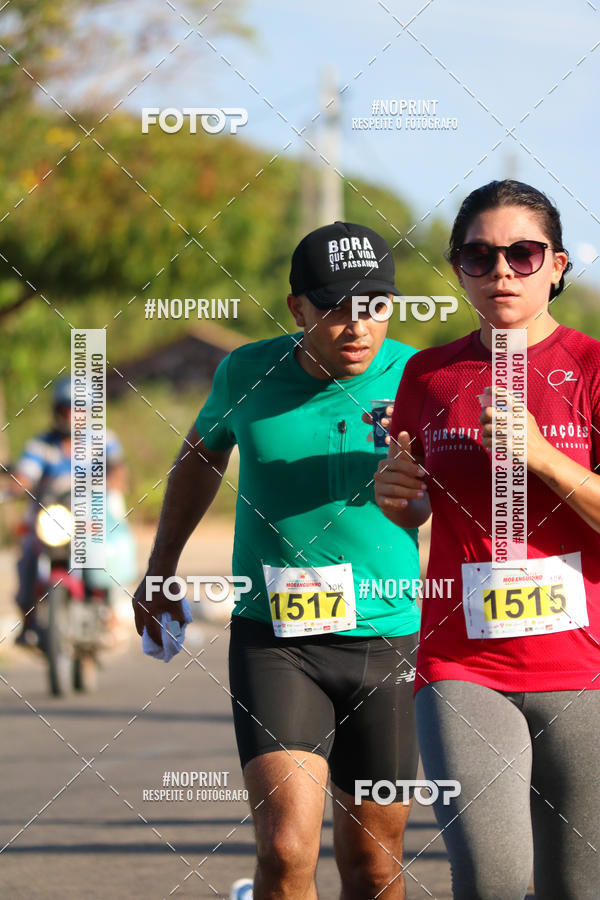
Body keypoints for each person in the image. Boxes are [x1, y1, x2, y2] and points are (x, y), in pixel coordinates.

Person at [133, 221, 422, 899]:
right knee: (287, 849)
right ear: (298, 310)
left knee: (374, 864)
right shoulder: (246, 372)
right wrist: (160, 567)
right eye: (336, 310)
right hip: (277, 641)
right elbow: (202, 454)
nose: (358, 326)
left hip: (389, 641)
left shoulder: (418, 376)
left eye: (375, 306)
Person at [374, 180, 600, 899]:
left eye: (522, 254)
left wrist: (543, 457)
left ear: (556, 266)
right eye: (479, 255)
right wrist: (398, 502)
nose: (501, 270)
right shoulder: (429, 374)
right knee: (493, 879)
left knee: (576, 886)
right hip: (463, 666)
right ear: (459, 268)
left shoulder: (592, 369)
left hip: (585, 669)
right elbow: (415, 511)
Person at [11, 376, 128, 647]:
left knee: (105, 551)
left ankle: (110, 612)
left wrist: (111, 483)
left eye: (78, 408)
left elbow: (118, 470)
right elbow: (25, 476)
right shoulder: (41, 444)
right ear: (57, 410)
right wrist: (16, 485)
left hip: (90, 515)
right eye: (67, 408)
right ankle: (27, 621)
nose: (71, 414)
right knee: (27, 552)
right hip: (52, 517)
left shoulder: (104, 439)